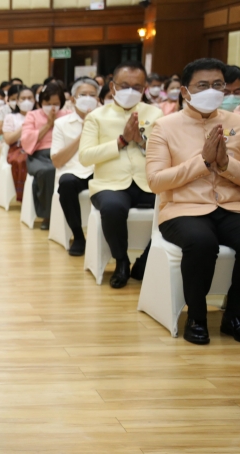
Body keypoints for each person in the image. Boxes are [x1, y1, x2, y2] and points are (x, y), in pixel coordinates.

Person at [146, 58, 240, 345]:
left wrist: (226, 164)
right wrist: (202, 161)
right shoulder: (164, 127)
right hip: (182, 209)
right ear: (186, 91)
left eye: (218, 85)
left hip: (231, 206)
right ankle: (197, 317)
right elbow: (156, 181)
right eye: (203, 85)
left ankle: (236, 315)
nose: (212, 90)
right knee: (202, 243)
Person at [79, 61, 163, 288]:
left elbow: (166, 154)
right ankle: (121, 260)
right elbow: (85, 156)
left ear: (145, 88)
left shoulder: (155, 114)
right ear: (113, 86)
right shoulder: (96, 116)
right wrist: (121, 141)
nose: (130, 91)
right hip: (110, 184)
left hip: (148, 183)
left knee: (175, 206)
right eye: (124, 85)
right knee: (112, 208)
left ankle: (144, 262)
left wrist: (142, 142)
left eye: (137, 87)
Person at [51, 78, 99, 256]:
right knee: (66, 183)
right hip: (74, 172)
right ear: (73, 99)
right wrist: (83, 133)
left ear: (98, 99)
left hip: (99, 171)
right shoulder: (61, 124)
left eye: (92, 95)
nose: (88, 98)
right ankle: (78, 236)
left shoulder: (105, 119)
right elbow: (57, 161)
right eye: (83, 95)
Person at [21, 82, 71, 230]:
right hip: (39, 156)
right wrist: (48, 125)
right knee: (48, 172)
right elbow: (26, 140)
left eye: (56, 103)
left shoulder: (67, 115)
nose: (52, 107)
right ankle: (48, 215)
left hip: (63, 153)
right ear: (40, 102)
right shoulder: (33, 115)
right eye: (48, 103)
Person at [3, 85, 32, 202]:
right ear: (17, 101)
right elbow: (9, 139)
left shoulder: (39, 115)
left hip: (36, 148)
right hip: (17, 148)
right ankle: (23, 198)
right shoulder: (11, 117)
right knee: (22, 160)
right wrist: (25, 125)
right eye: (23, 98)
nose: (26, 101)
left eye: (30, 98)